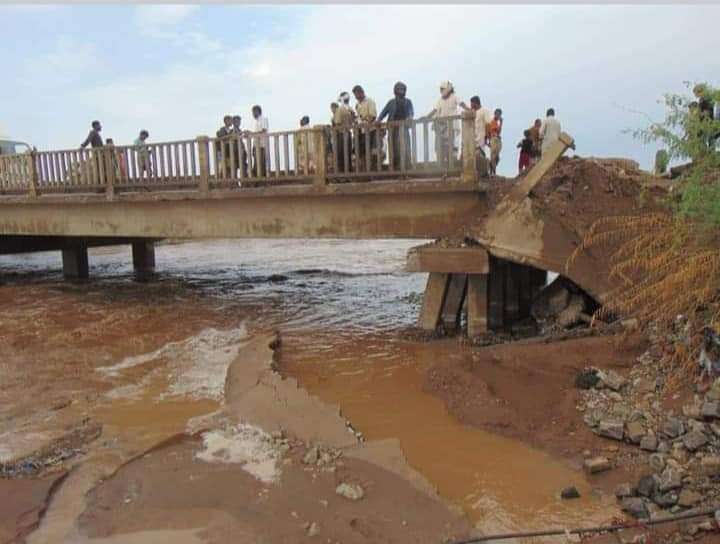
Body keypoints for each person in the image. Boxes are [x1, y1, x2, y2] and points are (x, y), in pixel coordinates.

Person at [425, 81, 467, 167]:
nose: (441, 91)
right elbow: (435, 111)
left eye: (442, 89)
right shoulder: (440, 100)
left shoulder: (454, 97)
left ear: (447, 89)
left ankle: (452, 165)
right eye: (440, 89)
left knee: (451, 147)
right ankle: (441, 166)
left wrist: (468, 109)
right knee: (440, 148)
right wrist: (426, 118)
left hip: (452, 127)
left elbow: (461, 103)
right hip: (441, 127)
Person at [378, 81, 414, 171]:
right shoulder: (391, 102)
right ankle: (394, 167)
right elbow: (384, 112)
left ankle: (406, 167)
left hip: (403, 128)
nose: (401, 91)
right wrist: (378, 120)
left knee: (405, 147)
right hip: (392, 128)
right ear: (395, 91)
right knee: (393, 148)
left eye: (403, 89)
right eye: (399, 89)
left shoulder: (408, 102)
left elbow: (410, 112)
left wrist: (409, 117)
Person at [353, 84, 378, 171]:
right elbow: (358, 116)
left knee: (369, 150)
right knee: (361, 151)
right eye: (355, 96)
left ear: (361, 92)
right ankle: (364, 170)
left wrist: (366, 122)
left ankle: (369, 170)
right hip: (361, 131)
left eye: (357, 95)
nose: (356, 97)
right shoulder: (357, 104)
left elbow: (373, 116)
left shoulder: (370, 101)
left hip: (370, 130)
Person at [469, 96, 493, 178]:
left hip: (481, 138)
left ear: (476, 103)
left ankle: (484, 173)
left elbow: (488, 124)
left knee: (479, 156)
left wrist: (488, 136)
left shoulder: (484, 111)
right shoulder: (473, 112)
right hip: (472, 139)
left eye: (472, 104)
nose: (471, 105)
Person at [332, 94, 354, 173]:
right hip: (348, 134)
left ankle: (342, 175)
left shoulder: (340, 109)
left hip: (341, 134)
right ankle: (349, 173)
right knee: (348, 155)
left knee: (340, 156)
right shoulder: (351, 109)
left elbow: (337, 122)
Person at [250, 105, 269, 177]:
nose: (253, 114)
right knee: (257, 164)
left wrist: (251, 133)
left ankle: (262, 180)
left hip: (261, 146)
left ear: (257, 111)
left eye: (253, 112)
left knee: (261, 164)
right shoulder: (257, 122)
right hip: (256, 146)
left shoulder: (263, 119)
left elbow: (264, 131)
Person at [487, 108, 503, 176]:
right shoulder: (493, 122)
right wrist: (501, 123)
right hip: (494, 139)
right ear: (495, 114)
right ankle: (493, 172)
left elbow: (499, 132)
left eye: (499, 114)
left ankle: (492, 170)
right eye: (497, 114)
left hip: (497, 139)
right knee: (493, 156)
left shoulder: (496, 122)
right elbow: (496, 131)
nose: (499, 115)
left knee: (496, 157)